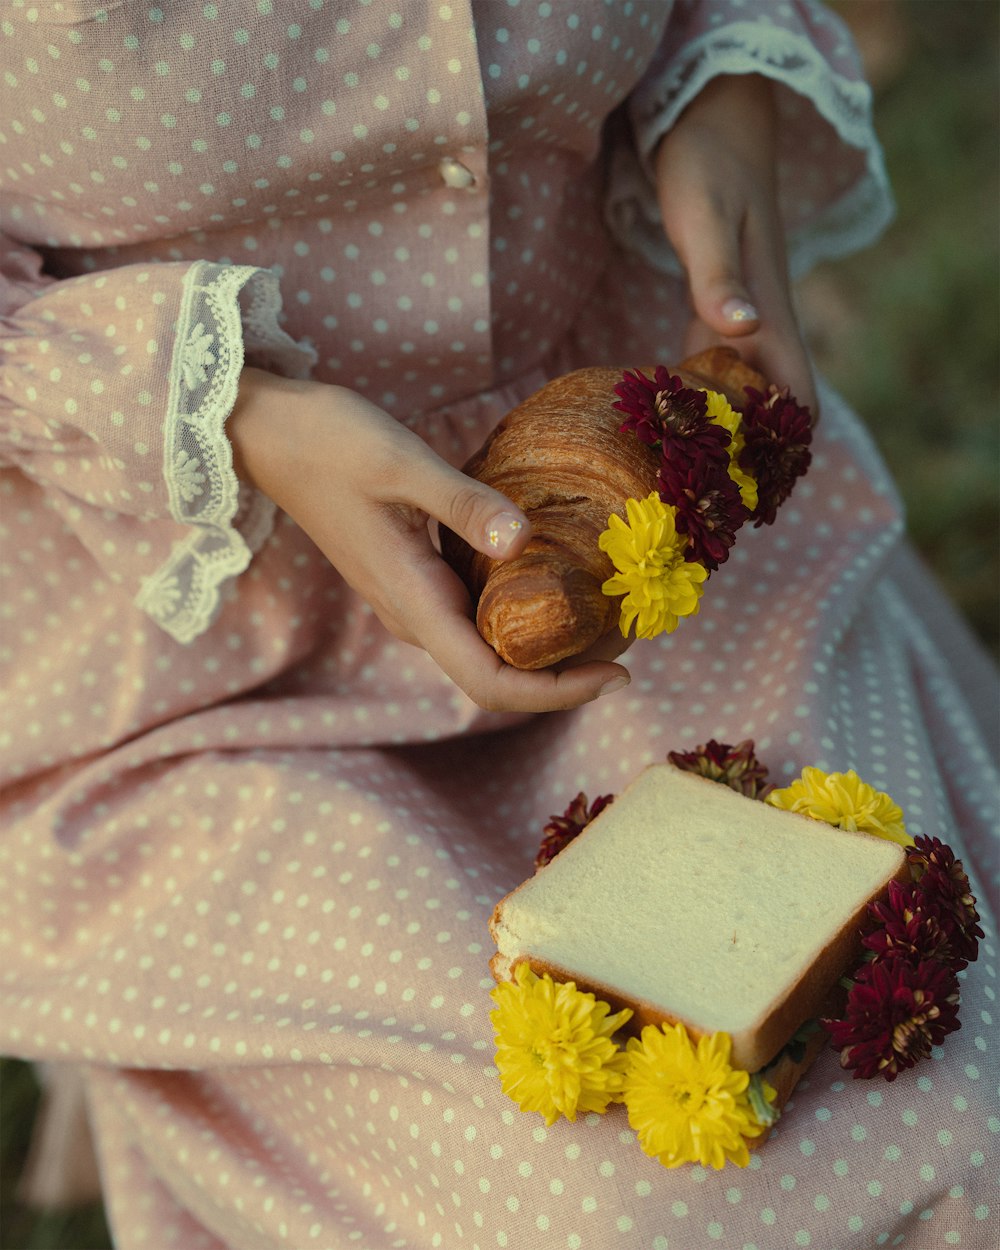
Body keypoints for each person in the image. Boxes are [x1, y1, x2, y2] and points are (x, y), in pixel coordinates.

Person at [1, 3, 995, 1248]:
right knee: (604, 1209)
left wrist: (713, 101)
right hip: (182, 662)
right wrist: (232, 414)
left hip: (648, 572)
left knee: (942, 1126)